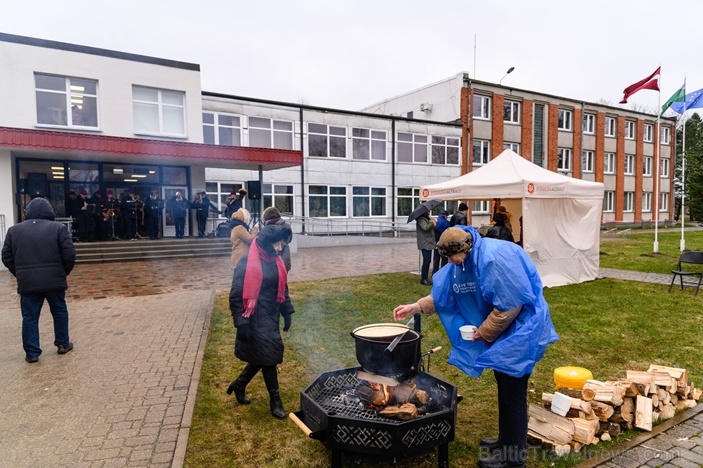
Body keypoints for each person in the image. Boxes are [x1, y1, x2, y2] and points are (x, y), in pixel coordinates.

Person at [392, 226, 558, 468]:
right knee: (504, 385)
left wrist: (484, 332)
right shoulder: (463, 262)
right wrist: (415, 306)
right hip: (505, 332)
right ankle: (505, 442)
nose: (449, 262)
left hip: (522, 331)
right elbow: (444, 293)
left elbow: (510, 306)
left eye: (451, 257)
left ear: (465, 249)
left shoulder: (495, 259)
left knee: (513, 392)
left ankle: (513, 460)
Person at [227, 222, 295, 419]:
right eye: (277, 244)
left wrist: (287, 311)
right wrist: (241, 323)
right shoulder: (246, 262)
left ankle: (239, 384)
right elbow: (236, 295)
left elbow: (283, 288)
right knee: (269, 357)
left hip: (271, 314)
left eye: (282, 244)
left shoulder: (277, 260)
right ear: (267, 243)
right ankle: (275, 400)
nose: (280, 248)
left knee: (264, 355)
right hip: (254, 316)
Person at [2, 197, 76, 363]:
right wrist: (63, 272)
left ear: (27, 212)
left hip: (28, 283)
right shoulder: (59, 228)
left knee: (29, 317)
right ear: (50, 212)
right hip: (54, 281)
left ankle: (32, 353)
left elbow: (6, 256)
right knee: (59, 311)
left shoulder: (14, 231)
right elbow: (69, 254)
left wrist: (20, 273)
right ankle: (63, 344)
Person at [261, 206, 292, 272]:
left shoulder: (268, 230)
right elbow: (289, 239)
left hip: (274, 262)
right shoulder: (286, 226)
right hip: (286, 259)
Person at [415, 208, 436, 285]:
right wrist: (432, 222)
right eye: (428, 210)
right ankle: (423, 279)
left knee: (428, 261)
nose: (429, 211)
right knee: (426, 261)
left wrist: (431, 221)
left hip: (428, 242)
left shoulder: (426, 218)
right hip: (425, 243)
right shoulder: (421, 219)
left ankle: (426, 278)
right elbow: (425, 228)